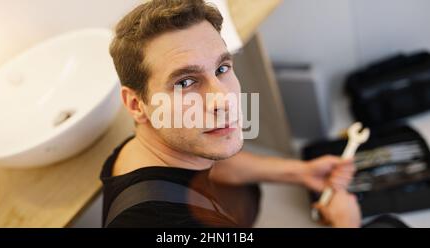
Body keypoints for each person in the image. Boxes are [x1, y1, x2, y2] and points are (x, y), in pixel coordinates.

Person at [100, 0, 360, 228]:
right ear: (135, 104)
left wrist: (299, 172)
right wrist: (347, 223)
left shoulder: (161, 144)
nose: (223, 99)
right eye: (184, 82)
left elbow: (213, 162)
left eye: (222, 68)